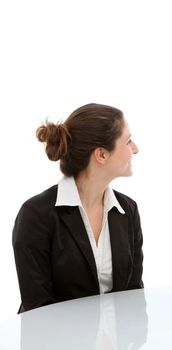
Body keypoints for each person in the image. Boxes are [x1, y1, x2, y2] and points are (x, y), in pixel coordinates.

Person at [12, 103, 144, 313]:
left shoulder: (127, 210)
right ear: (101, 155)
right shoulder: (36, 215)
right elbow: (37, 308)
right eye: (128, 141)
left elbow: (134, 296)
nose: (135, 149)